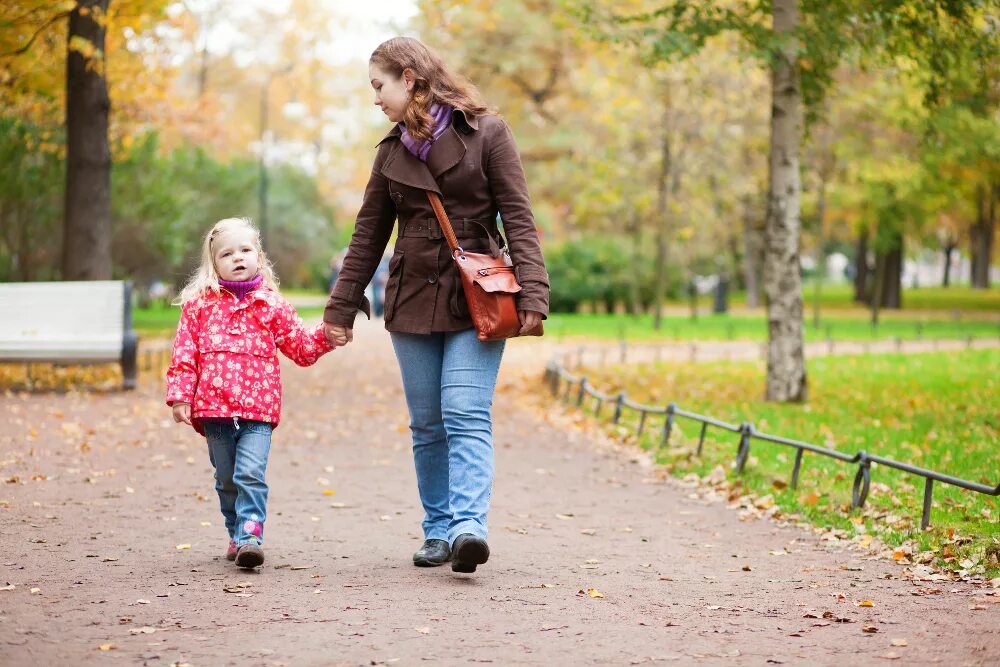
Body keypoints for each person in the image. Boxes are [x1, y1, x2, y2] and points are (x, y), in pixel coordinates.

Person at [323, 37, 549, 573]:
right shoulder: (390, 152)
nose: (375, 98)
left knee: (465, 412)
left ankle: (469, 527)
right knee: (428, 424)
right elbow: (367, 236)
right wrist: (340, 309)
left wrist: (534, 292)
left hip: (480, 294)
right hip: (412, 297)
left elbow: (518, 216)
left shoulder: (488, 132)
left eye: (379, 86)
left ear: (410, 78)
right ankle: (438, 530)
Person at [166, 217, 343, 569]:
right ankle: (235, 532)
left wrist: (327, 335)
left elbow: (300, 346)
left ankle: (250, 535)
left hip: (258, 410)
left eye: (245, 250)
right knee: (227, 477)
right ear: (213, 263)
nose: (238, 258)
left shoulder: (271, 305)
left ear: (259, 257)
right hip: (213, 409)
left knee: (250, 473)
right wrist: (181, 396)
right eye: (227, 253)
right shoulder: (199, 306)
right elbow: (185, 354)